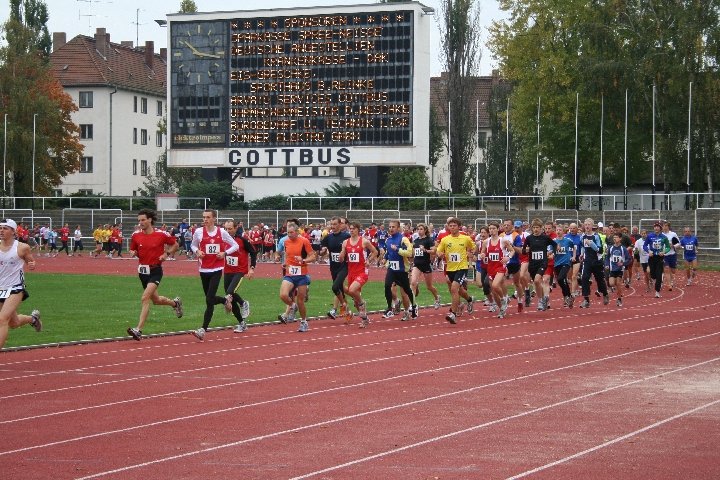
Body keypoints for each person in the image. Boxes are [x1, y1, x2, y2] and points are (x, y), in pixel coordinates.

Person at [126, 209, 183, 341]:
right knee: (156, 300)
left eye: (143, 220)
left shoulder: (161, 234)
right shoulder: (136, 235)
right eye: (139, 220)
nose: (141, 222)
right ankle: (175, 303)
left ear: (150, 220)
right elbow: (133, 249)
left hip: (155, 270)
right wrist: (133, 253)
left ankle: (138, 330)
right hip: (142, 272)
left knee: (145, 298)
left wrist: (166, 254)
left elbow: (175, 244)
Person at [190, 209, 240, 341]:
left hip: (216, 269)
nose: (205, 219)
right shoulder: (199, 232)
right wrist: (197, 251)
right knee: (209, 299)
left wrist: (224, 253)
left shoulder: (222, 232)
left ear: (214, 219)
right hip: (203, 269)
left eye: (208, 217)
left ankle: (202, 330)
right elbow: (193, 245)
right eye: (204, 217)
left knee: (209, 299)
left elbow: (235, 246)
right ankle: (224, 300)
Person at [0, 219, 42, 349]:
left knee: (2, 320)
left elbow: (31, 261)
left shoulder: (22, 247)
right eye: (0, 228)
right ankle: (33, 319)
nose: (1, 230)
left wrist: (32, 264)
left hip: (15, 288)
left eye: (5, 228)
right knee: (14, 322)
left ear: (13, 231)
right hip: (0, 288)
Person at [436, 217, 475, 324]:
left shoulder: (465, 238)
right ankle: (470, 299)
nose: (452, 227)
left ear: (459, 227)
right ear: (448, 227)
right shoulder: (445, 239)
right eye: (450, 226)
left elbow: (474, 247)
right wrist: (440, 254)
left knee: (454, 289)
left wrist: (471, 253)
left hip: (462, 267)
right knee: (460, 291)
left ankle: (453, 313)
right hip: (450, 268)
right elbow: (438, 251)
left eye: (454, 226)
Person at [278, 221, 316, 332]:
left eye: (291, 232)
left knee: (300, 300)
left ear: (297, 232)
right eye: (288, 232)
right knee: (283, 295)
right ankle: (292, 305)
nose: (289, 234)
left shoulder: (304, 241)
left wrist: (303, 260)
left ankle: (304, 322)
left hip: (302, 275)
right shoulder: (285, 242)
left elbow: (313, 257)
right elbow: (286, 254)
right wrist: (285, 262)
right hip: (290, 273)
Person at [339, 222, 378, 328]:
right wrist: (341, 256)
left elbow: (375, 252)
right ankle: (365, 319)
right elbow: (343, 255)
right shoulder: (345, 242)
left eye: (353, 229)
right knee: (354, 301)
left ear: (358, 230)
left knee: (352, 291)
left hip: (362, 271)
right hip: (351, 272)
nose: (351, 230)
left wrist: (369, 260)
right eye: (350, 229)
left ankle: (362, 303)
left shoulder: (364, 241)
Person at [223, 220, 257, 333]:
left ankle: (243, 303)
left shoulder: (242, 240)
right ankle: (242, 323)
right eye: (226, 229)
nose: (228, 231)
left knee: (229, 291)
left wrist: (252, 268)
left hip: (239, 271)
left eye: (230, 229)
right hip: (228, 271)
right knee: (230, 298)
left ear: (236, 228)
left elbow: (253, 252)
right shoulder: (223, 240)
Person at [382, 220, 417, 321]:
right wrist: (385, 258)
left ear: (398, 228)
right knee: (387, 285)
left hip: (402, 270)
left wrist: (398, 250)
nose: (391, 229)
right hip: (392, 268)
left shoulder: (403, 239)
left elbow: (410, 253)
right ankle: (389, 308)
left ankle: (414, 306)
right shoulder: (388, 240)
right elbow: (388, 252)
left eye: (393, 227)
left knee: (406, 290)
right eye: (390, 227)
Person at [320, 216, 351, 322]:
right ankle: (348, 311)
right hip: (333, 267)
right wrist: (323, 251)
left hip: (344, 266)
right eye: (331, 224)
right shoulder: (328, 237)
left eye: (334, 224)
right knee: (340, 290)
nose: (332, 226)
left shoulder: (346, 236)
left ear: (339, 225)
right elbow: (322, 251)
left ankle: (343, 305)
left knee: (335, 287)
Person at [481, 223, 515, 319]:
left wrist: (508, 257)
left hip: (500, 267)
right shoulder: (486, 242)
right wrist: (482, 255)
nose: (491, 230)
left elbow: (512, 250)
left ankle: (504, 298)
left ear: (497, 229)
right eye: (490, 228)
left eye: (493, 228)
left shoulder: (503, 241)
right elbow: (482, 252)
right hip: (490, 267)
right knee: (494, 291)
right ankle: (502, 309)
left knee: (496, 285)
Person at [522, 219, 556, 311]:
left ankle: (541, 300)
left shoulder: (545, 238)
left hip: (542, 262)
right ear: (532, 228)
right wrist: (526, 250)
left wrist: (552, 253)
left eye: (537, 227)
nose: (536, 229)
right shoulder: (529, 238)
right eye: (534, 227)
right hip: (533, 264)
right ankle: (543, 298)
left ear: (541, 228)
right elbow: (523, 251)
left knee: (537, 280)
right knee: (536, 282)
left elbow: (555, 245)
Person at [410, 223, 441, 309]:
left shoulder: (429, 240)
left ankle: (437, 297)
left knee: (429, 286)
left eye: (421, 229)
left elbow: (434, 251)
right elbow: (413, 253)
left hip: (426, 265)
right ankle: (412, 304)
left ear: (425, 230)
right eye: (418, 229)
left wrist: (425, 250)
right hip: (417, 265)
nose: (419, 231)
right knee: (413, 283)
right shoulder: (415, 241)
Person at [579, 218, 609, 308]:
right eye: (586, 224)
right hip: (587, 261)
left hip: (596, 261)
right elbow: (583, 247)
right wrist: (581, 254)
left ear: (592, 226)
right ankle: (586, 300)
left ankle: (605, 293)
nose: (587, 226)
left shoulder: (596, 236)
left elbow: (600, 250)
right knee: (584, 278)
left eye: (589, 224)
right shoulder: (582, 236)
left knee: (599, 279)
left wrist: (592, 244)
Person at [644, 222, 671, 298]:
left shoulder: (664, 237)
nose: (656, 228)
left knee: (659, 274)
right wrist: (648, 251)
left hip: (660, 257)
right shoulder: (649, 236)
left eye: (657, 227)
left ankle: (657, 291)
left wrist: (664, 252)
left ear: (660, 228)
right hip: (652, 257)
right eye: (655, 227)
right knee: (652, 275)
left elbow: (668, 247)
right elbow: (645, 246)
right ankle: (656, 280)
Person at [553, 225, 576, 308]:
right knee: (561, 281)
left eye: (560, 230)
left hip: (566, 263)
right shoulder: (553, 241)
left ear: (563, 231)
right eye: (557, 230)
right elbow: (550, 251)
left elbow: (574, 248)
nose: (558, 231)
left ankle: (566, 296)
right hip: (557, 264)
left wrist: (573, 256)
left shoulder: (568, 240)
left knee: (560, 278)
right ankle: (568, 296)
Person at [606, 233, 631, 307]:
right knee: (611, 283)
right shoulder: (610, 248)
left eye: (616, 237)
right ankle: (617, 292)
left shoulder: (623, 249)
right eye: (614, 237)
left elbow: (629, 259)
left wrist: (623, 263)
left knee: (618, 283)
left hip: (620, 269)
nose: (614, 239)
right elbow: (607, 258)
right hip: (612, 269)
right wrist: (607, 265)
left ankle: (619, 299)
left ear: (620, 239)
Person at [662, 221, 680, 291]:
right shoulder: (661, 235)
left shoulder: (673, 234)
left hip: (672, 254)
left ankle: (672, 281)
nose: (665, 227)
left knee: (673, 270)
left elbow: (679, 243)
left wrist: (673, 246)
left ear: (669, 227)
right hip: (664, 255)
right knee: (666, 269)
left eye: (666, 226)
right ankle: (669, 285)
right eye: (664, 226)